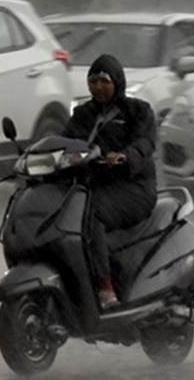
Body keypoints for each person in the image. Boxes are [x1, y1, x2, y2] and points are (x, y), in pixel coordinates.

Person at [63, 53, 157, 310]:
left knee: (89, 215)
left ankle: (105, 287)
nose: (98, 87)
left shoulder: (138, 111)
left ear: (117, 82)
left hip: (133, 187)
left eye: (104, 81)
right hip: (93, 186)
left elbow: (145, 143)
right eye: (93, 81)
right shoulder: (82, 114)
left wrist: (125, 157)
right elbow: (64, 141)